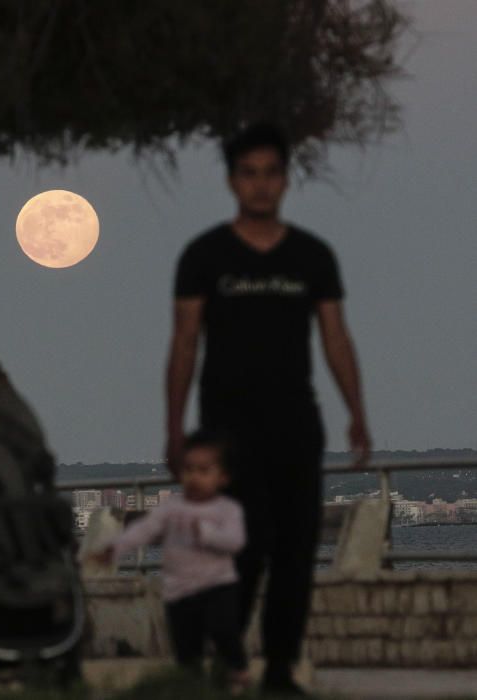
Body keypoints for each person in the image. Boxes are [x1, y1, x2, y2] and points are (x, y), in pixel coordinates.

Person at [165, 123, 371, 695]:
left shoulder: (311, 256)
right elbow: (184, 344)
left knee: (295, 550)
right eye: (249, 174)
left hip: (295, 425)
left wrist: (357, 411)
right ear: (233, 181)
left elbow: (335, 338)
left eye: (271, 173)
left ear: (285, 180)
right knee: (239, 552)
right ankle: (226, 664)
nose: (260, 186)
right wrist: (174, 430)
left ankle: (280, 670)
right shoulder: (205, 256)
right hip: (227, 429)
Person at [92, 431, 248, 694]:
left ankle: (237, 669)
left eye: (204, 470)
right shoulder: (171, 508)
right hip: (179, 590)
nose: (194, 477)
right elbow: (145, 530)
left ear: (223, 478)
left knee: (224, 629)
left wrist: (207, 534)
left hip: (217, 585)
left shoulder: (227, 509)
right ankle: (192, 683)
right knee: (186, 644)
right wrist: (116, 548)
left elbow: (235, 541)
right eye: (188, 470)